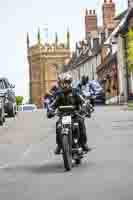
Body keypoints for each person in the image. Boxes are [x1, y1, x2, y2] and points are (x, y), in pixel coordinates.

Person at [47, 73, 90, 154]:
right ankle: (59, 145)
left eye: (66, 82)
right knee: (58, 125)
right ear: (59, 84)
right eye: (62, 83)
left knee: (81, 122)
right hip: (63, 116)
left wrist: (85, 108)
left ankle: (84, 144)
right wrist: (50, 111)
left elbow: (83, 101)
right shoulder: (58, 94)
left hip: (75, 115)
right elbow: (53, 104)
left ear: (70, 83)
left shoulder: (75, 92)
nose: (64, 85)